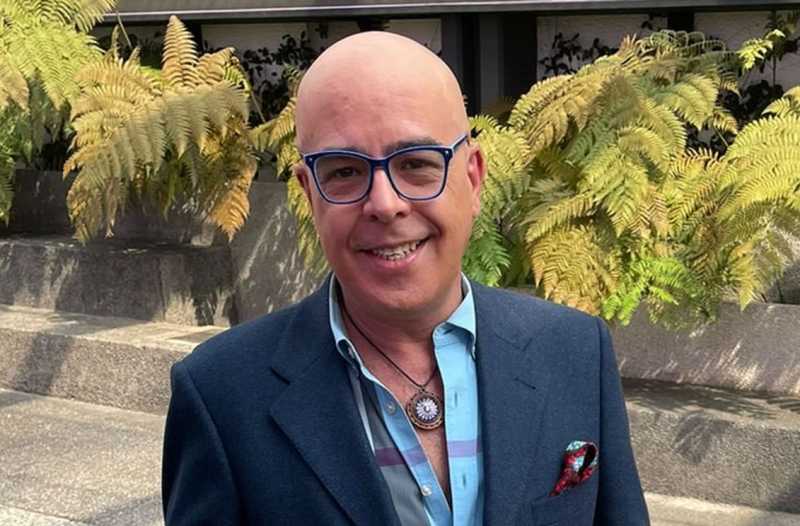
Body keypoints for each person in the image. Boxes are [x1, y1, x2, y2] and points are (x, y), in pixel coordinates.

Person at [161, 31, 650, 526]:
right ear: (309, 194)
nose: (385, 204)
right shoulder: (220, 395)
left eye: (416, 164)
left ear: (473, 178)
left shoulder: (574, 350)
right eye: (344, 172)